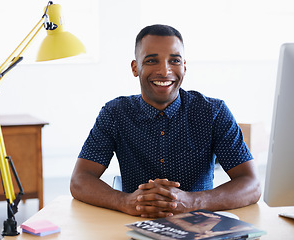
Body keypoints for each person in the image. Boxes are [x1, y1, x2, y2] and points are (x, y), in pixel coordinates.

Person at [70, 24, 261, 218]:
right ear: (135, 68)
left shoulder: (213, 112)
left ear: (184, 67)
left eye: (174, 60)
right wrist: (124, 201)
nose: (164, 70)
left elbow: (251, 184)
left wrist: (192, 201)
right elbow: (80, 179)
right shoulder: (115, 113)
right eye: (152, 61)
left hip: (199, 228)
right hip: (134, 225)